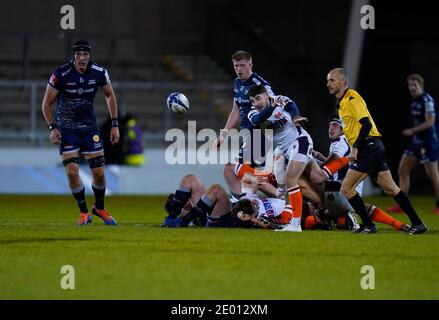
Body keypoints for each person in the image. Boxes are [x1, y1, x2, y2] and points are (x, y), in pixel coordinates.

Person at [326, 68, 426, 234]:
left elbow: (366, 124)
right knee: (391, 189)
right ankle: (417, 223)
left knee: (346, 188)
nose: (328, 84)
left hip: (368, 147)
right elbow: (354, 127)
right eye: (328, 80)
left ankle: (368, 225)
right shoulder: (343, 103)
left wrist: (356, 148)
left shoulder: (352, 97)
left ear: (343, 82)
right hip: (372, 147)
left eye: (332, 80)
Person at [246, 85, 349, 232]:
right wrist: (272, 106)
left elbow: (292, 105)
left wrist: (295, 116)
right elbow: (257, 120)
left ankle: (294, 224)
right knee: (318, 177)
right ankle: (343, 202)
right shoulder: (253, 112)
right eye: (253, 101)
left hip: (300, 141)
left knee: (290, 179)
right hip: (285, 149)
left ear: (265, 95)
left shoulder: (279, 100)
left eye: (258, 98)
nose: (256, 103)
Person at [42, 40, 119, 225]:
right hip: (67, 130)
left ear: (89, 56)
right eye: (78, 54)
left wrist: (115, 124)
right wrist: (52, 128)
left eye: (85, 54)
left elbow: (110, 94)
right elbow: (46, 104)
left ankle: (99, 208)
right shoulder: (61, 74)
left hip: (89, 128)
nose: (82, 58)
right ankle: (84, 212)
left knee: (99, 173)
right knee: (72, 171)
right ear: (74, 56)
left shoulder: (99, 72)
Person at [212, 50, 274, 201]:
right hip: (247, 135)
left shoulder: (260, 85)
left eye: (242, 65)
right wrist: (223, 135)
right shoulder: (237, 83)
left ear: (250, 64)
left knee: (235, 170)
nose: (239, 69)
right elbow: (235, 110)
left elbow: (274, 106)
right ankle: (249, 203)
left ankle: (273, 198)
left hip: (259, 135)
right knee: (246, 174)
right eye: (236, 66)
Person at [387, 74, 439, 214]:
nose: (412, 88)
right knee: (402, 170)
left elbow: (430, 122)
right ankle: (402, 205)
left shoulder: (427, 100)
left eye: (414, 85)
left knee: (432, 174)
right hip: (416, 141)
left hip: (428, 142)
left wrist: (412, 130)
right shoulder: (414, 100)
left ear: (420, 85)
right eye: (410, 85)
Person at [161, 173, 287, 229]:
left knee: (216, 190)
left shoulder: (283, 206)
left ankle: (183, 221)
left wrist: (253, 220)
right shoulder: (257, 198)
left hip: (230, 218)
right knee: (189, 179)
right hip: (217, 210)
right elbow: (246, 179)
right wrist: (258, 180)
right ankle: (172, 217)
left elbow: (275, 225)